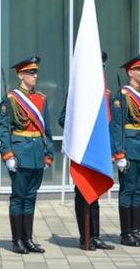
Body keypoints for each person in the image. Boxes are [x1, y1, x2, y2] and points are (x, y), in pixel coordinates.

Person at [0, 55, 54, 254]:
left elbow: (46, 129)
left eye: (35, 72)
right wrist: (8, 155)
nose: (35, 76)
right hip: (20, 153)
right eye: (31, 72)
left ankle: (28, 239)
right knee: (19, 197)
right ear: (21, 75)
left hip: (37, 153)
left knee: (31, 197)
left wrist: (48, 153)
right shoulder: (11, 99)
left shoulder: (41, 99)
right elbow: (4, 130)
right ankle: (17, 240)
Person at [59, 51, 114, 250]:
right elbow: (63, 118)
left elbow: (109, 122)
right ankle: (85, 236)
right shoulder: (77, 92)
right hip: (82, 149)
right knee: (83, 193)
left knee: (95, 193)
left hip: (97, 150)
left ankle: (96, 235)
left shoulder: (102, 93)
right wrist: (79, 132)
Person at [110, 54, 140, 247]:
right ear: (130, 72)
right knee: (128, 190)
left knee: (138, 191)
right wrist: (119, 153)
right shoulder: (122, 95)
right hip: (129, 147)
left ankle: (136, 230)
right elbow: (117, 126)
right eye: (138, 70)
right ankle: (126, 232)